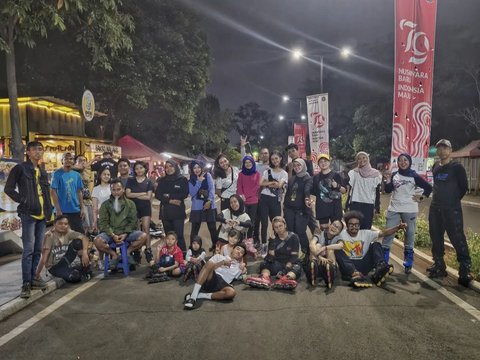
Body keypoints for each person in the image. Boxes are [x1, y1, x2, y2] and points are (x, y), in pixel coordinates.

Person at [5, 141, 52, 298]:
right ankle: (26, 283)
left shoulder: (42, 171)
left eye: (41, 149)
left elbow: (46, 193)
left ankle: (33, 279)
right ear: (28, 152)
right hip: (28, 214)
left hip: (42, 216)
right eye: (35, 149)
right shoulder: (20, 168)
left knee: (38, 249)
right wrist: (23, 200)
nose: (38, 152)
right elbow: (8, 188)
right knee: (28, 250)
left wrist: (49, 211)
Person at [427, 139, 473, 287]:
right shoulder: (435, 166)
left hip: (451, 209)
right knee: (436, 237)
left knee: (457, 238)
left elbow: (463, 187)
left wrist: (452, 201)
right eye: (439, 148)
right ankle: (439, 265)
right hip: (435, 208)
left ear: (450, 150)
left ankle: (465, 270)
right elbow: (436, 186)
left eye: (445, 148)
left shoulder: (457, 167)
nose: (442, 151)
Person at [382, 153, 432, 274]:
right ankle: (383, 261)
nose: (403, 162)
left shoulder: (414, 176)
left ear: (409, 162)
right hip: (394, 208)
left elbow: (428, 187)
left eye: (405, 160)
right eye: (400, 160)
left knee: (409, 234)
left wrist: (421, 197)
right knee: (389, 233)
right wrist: (388, 180)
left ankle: (408, 260)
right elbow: (388, 191)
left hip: (410, 209)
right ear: (397, 163)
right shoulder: (394, 175)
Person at [335, 211, 407, 288]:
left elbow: (383, 233)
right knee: (337, 250)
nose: (354, 227)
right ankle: (354, 274)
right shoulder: (341, 234)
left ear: (360, 225)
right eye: (351, 225)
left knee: (376, 244)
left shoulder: (366, 233)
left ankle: (380, 268)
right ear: (347, 225)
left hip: (363, 265)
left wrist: (398, 227)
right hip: (347, 266)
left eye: (356, 225)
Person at [93, 179, 147, 270]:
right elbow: (103, 223)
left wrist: (125, 233)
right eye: (113, 190)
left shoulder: (130, 204)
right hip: (110, 234)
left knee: (144, 236)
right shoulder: (105, 205)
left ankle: (127, 252)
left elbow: (133, 221)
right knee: (97, 241)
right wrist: (112, 235)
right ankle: (114, 255)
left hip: (126, 232)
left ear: (123, 189)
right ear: (111, 190)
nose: (116, 192)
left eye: (118, 189)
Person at [183, 243, 247, 310]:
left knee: (231, 293)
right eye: (238, 249)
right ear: (233, 249)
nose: (239, 252)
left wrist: (244, 268)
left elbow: (244, 277)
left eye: (242, 252)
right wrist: (222, 262)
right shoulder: (219, 256)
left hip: (223, 284)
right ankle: (193, 297)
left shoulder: (239, 267)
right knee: (210, 263)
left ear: (242, 256)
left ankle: (200, 295)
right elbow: (207, 268)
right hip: (212, 278)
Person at [245, 216, 302, 290]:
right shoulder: (273, 239)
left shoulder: (294, 237)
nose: (279, 228)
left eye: (280, 226)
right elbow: (270, 259)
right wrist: (271, 242)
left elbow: (294, 257)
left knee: (297, 267)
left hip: (290, 263)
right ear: (274, 229)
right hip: (277, 263)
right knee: (265, 264)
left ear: (285, 225)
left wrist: (285, 270)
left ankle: (286, 279)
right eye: (276, 227)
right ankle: (264, 278)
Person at [36, 215, 92, 283]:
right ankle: (75, 271)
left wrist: (85, 253)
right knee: (75, 277)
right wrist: (37, 274)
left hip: (64, 259)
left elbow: (84, 238)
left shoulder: (68, 232)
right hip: (54, 266)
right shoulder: (49, 236)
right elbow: (44, 257)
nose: (63, 226)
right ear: (54, 224)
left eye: (65, 224)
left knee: (78, 242)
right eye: (60, 223)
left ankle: (86, 268)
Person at [155, 160, 189, 252]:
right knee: (169, 237)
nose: (168, 169)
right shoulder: (162, 181)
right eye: (166, 167)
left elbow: (185, 193)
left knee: (179, 235)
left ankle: (183, 256)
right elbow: (158, 195)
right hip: (165, 212)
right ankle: (171, 256)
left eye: (171, 166)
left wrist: (167, 195)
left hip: (178, 212)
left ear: (175, 167)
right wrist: (171, 200)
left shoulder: (182, 179)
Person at [126, 161, 155, 264]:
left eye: (141, 168)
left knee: (146, 229)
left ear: (145, 169)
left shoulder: (149, 182)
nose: (139, 170)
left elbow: (148, 197)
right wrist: (142, 193)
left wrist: (136, 194)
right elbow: (128, 194)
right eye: (137, 168)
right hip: (133, 208)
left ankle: (148, 250)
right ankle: (137, 251)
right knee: (137, 231)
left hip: (145, 208)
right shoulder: (131, 180)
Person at [283, 158, 313, 256]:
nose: (296, 167)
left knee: (300, 231)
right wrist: (285, 207)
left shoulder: (308, 178)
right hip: (289, 209)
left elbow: (307, 190)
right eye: (295, 166)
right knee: (291, 232)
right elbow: (288, 193)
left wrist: (307, 198)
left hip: (302, 210)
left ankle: (306, 253)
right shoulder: (292, 178)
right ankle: (293, 253)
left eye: (298, 165)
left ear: (303, 165)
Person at [258, 151, 288, 245]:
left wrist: (268, 184)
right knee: (264, 223)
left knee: (276, 222)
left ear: (280, 159)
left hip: (275, 199)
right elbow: (260, 183)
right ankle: (264, 244)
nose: (274, 160)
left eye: (276, 158)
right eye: (272, 159)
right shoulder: (267, 171)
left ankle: (276, 243)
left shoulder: (284, 173)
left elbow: (279, 185)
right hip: (264, 198)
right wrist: (271, 183)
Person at [51, 152, 85, 233]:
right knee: (61, 235)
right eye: (66, 158)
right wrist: (58, 210)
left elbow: (79, 191)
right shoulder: (56, 174)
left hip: (75, 210)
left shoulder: (77, 175)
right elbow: (53, 192)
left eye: (71, 159)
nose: (68, 160)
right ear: (62, 160)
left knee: (79, 234)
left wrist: (82, 207)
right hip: (62, 211)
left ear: (73, 161)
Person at [347, 152, 382, 229]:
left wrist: (377, 207)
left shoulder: (376, 174)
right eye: (359, 158)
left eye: (364, 157)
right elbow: (350, 191)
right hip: (355, 203)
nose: (361, 160)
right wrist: (347, 205)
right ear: (357, 161)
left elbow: (377, 192)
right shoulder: (353, 173)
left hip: (368, 204)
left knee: (366, 228)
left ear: (367, 159)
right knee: (354, 228)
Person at [311, 154, 346, 231]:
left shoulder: (336, 175)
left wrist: (337, 186)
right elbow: (314, 192)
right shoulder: (316, 178)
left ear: (329, 162)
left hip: (335, 208)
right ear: (318, 164)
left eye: (325, 161)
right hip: (322, 208)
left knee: (336, 230)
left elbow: (344, 191)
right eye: (321, 162)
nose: (323, 163)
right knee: (324, 230)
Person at [188, 160, 218, 250]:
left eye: (198, 167)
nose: (197, 169)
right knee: (194, 230)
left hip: (209, 205)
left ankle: (215, 246)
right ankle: (193, 249)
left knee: (212, 228)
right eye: (194, 168)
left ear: (201, 168)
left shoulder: (207, 175)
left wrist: (210, 201)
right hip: (197, 207)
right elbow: (192, 193)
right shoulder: (191, 180)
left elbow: (212, 189)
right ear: (192, 169)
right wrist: (199, 181)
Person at [308, 220, 345, 288]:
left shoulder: (338, 237)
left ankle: (331, 270)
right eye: (333, 225)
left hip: (329, 261)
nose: (334, 227)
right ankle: (313, 266)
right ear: (329, 225)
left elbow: (341, 245)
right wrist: (319, 257)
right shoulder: (319, 231)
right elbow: (311, 244)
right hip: (318, 260)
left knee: (330, 250)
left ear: (339, 232)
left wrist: (325, 247)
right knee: (317, 245)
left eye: (337, 227)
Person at [236, 155, 262, 239]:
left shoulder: (257, 174)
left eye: (250, 162)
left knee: (251, 221)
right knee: (243, 220)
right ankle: (242, 238)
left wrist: (249, 195)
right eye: (246, 162)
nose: (248, 164)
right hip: (243, 201)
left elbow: (258, 186)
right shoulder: (241, 174)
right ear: (243, 164)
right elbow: (239, 186)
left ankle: (250, 239)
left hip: (254, 201)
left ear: (253, 163)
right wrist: (241, 195)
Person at [73, 154, 95, 235]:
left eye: (84, 160)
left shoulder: (88, 171)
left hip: (89, 200)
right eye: (80, 160)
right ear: (75, 162)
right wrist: (93, 159)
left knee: (91, 223)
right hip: (79, 201)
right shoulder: (73, 171)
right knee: (84, 223)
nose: (82, 162)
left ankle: (89, 241)